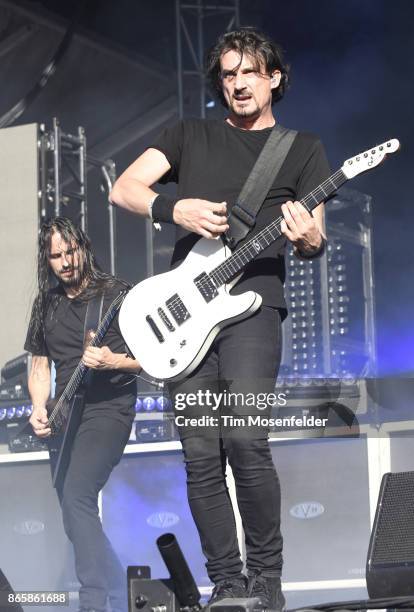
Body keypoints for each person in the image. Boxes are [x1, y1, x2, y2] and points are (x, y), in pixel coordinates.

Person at [110, 27, 331, 611]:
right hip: (183, 316)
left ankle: (267, 580)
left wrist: (307, 237)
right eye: (229, 74)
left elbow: (314, 242)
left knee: (245, 438)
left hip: (252, 309)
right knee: (200, 452)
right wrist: (172, 205)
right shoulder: (189, 135)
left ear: (273, 78)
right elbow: (123, 188)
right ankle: (227, 584)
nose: (238, 83)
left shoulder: (302, 148)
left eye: (249, 72)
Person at [25, 217, 141, 612]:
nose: (64, 262)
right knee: (73, 515)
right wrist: (39, 407)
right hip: (64, 414)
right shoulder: (46, 304)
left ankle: (94, 601)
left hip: (108, 409)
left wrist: (113, 361)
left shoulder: (117, 295)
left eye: (69, 251)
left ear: (83, 247)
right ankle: (124, 587)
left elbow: (150, 360)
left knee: (78, 496)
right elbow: (39, 366)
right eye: (55, 256)